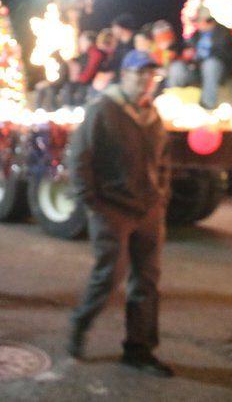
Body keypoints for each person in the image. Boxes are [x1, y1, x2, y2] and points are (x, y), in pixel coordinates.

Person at [67, 49, 173, 377]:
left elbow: (164, 160)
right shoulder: (103, 110)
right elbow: (79, 157)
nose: (145, 80)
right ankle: (81, 322)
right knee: (109, 276)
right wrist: (92, 202)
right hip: (112, 209)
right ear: (124, 75)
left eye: (150, 75)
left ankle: (139, 350)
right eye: (139, 73)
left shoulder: (153, 115)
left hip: (148, 210)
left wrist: (161, 196)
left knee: (147, 280)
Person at [185, 7, 232, 108]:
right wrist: (189, 54)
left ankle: (208, 104)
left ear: (207, 21)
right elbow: (186, 48)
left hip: (218, 69)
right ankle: (176, 104)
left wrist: (203, 58)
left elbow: (226, 54)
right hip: (196, 68)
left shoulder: (223, 33)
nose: (196, 24)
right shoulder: (196, 35)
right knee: (177, 68)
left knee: (210, 64)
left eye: (198, 21)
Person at [106, 13, 137, 84]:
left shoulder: (137, 41)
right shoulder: (118, 45)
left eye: (114, 27)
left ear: (122, 28)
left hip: (132, 81)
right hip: (119, 81)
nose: (112, 30)